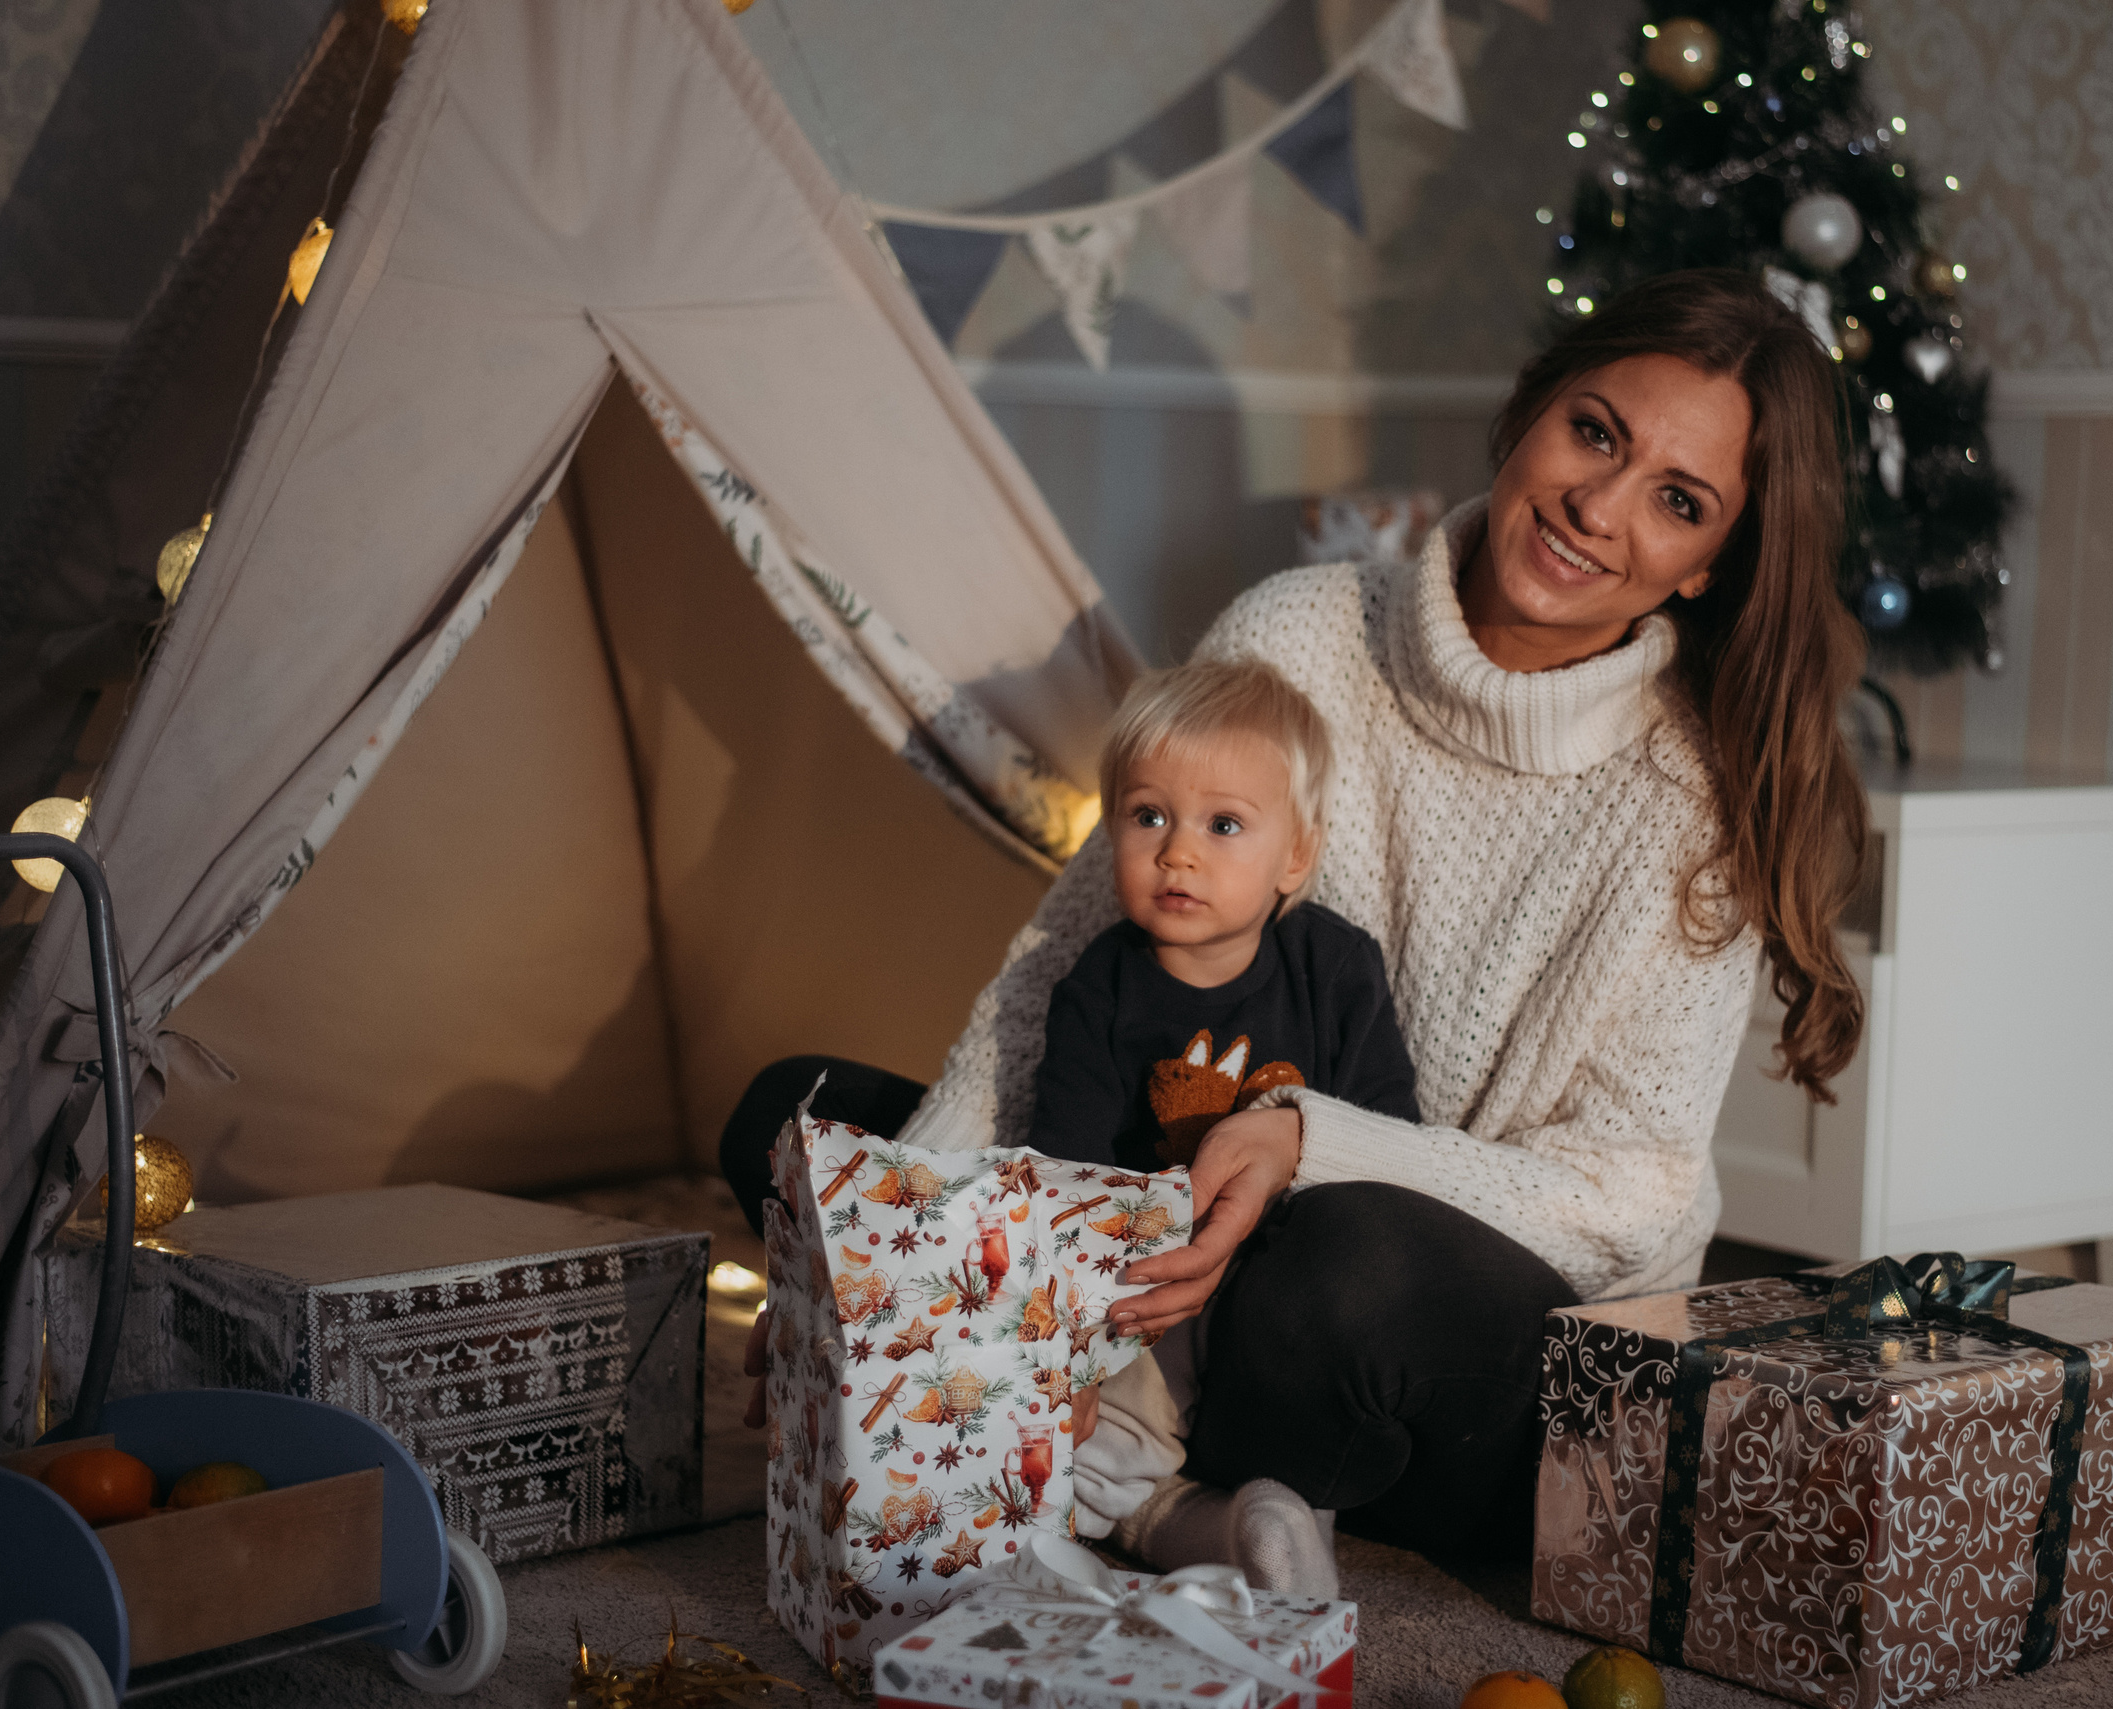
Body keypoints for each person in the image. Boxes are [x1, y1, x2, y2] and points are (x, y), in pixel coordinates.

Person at [721, 267, 1867, 1595]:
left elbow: (1635, 1192)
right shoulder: (1299, 630)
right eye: (1594, 432)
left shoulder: (1690, 798)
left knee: (1336, 1266)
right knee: (801, 1128)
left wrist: (1309, 1142)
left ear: (1709, 563)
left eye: (1678, 501)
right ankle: (1177, 1487)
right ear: (1529, 412)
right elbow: (1057, 973)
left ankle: (1104, 1467)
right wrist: (883, 1261)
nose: (1598, 507)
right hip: (1187, 1232)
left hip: (1477, 1343)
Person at [1028, 655, 1419, 1173]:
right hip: (1151, 1220)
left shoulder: (1335, 968)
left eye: (1223, 825)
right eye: (1149, 816)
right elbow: (1067, 1170)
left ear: (1296, 857)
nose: (1177, 853)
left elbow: (1393, 1145)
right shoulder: (1099, 989)